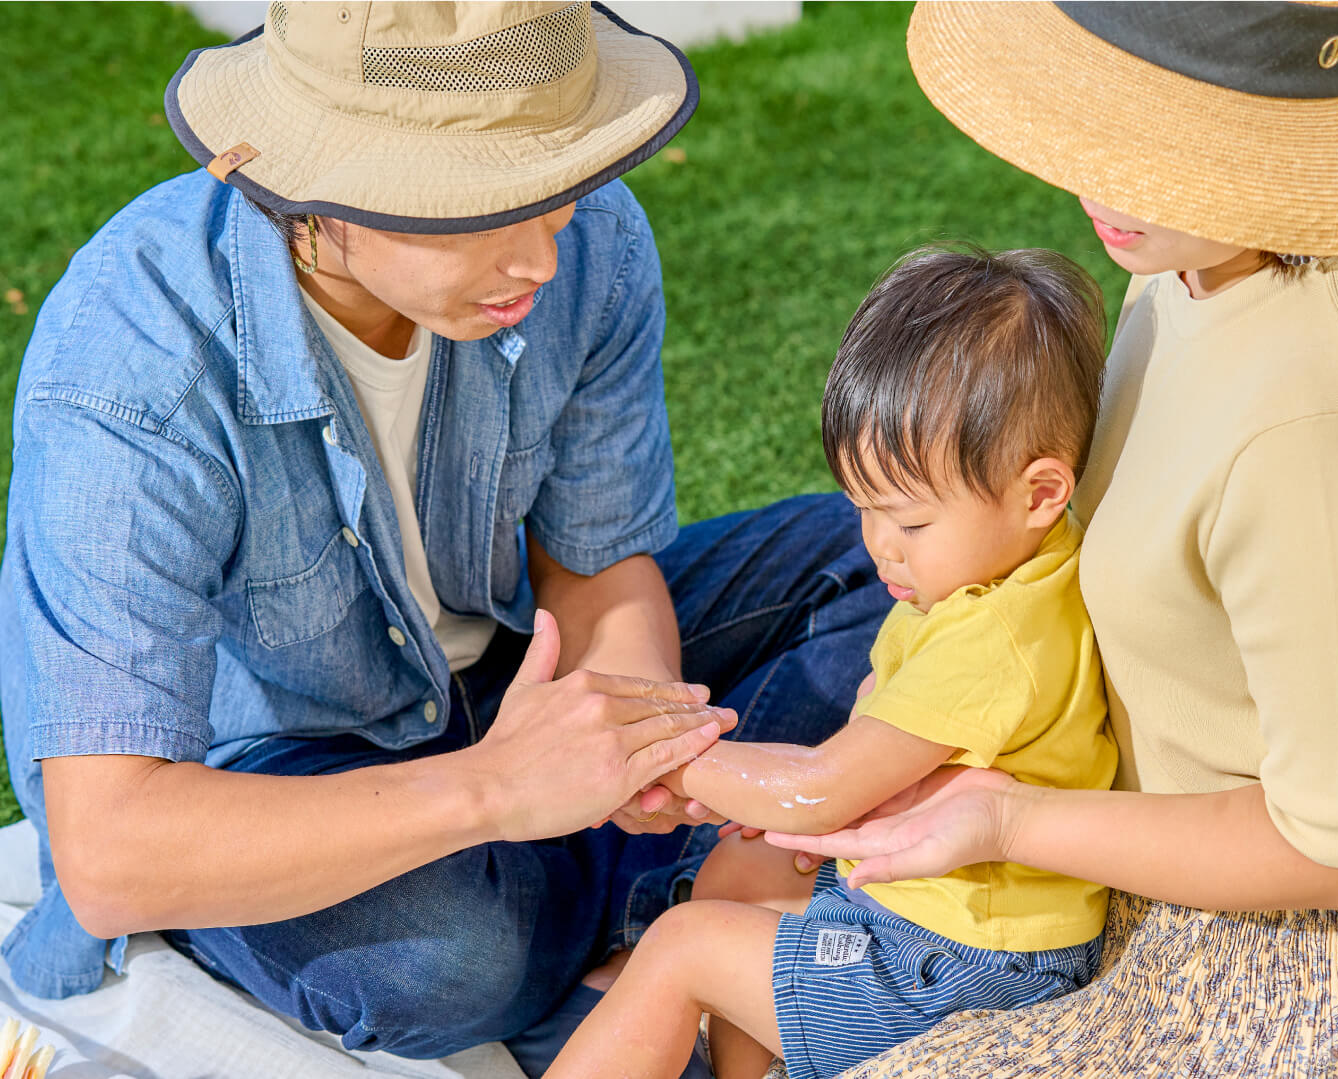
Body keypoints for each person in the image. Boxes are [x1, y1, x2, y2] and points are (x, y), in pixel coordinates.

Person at [0, 3, 891, 1072]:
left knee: (881, 555)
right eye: (482, 209)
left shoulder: (592, 243)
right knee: (451, 957)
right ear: (321, 193)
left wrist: (639, 744)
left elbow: (598, 569)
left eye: (553, 191)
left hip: (516, 669)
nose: (543, 257)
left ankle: (648, 905)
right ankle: (699, 896)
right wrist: (499, 790)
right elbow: (108, 848)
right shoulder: (132, 365)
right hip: (274, 764)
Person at [762, 3, 1338, 1075]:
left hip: (1306, 974)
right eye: (1105, 119)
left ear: (1267, 137)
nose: (1101, 181)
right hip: (1158, 864)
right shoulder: (1209, 249)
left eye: (1158, 140)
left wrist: (1013, 819)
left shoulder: (1308, 437)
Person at [544, 245, 1119, 1079]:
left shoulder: (994, 640)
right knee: (741, 864)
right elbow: (840, 774)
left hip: (963, 961)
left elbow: (821, 790)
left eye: (909, 522)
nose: (877, 545)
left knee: (680, 948)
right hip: (932, 910)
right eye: (863, 507)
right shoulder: (1011, 565)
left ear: (1041, 492)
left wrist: (662, 763)